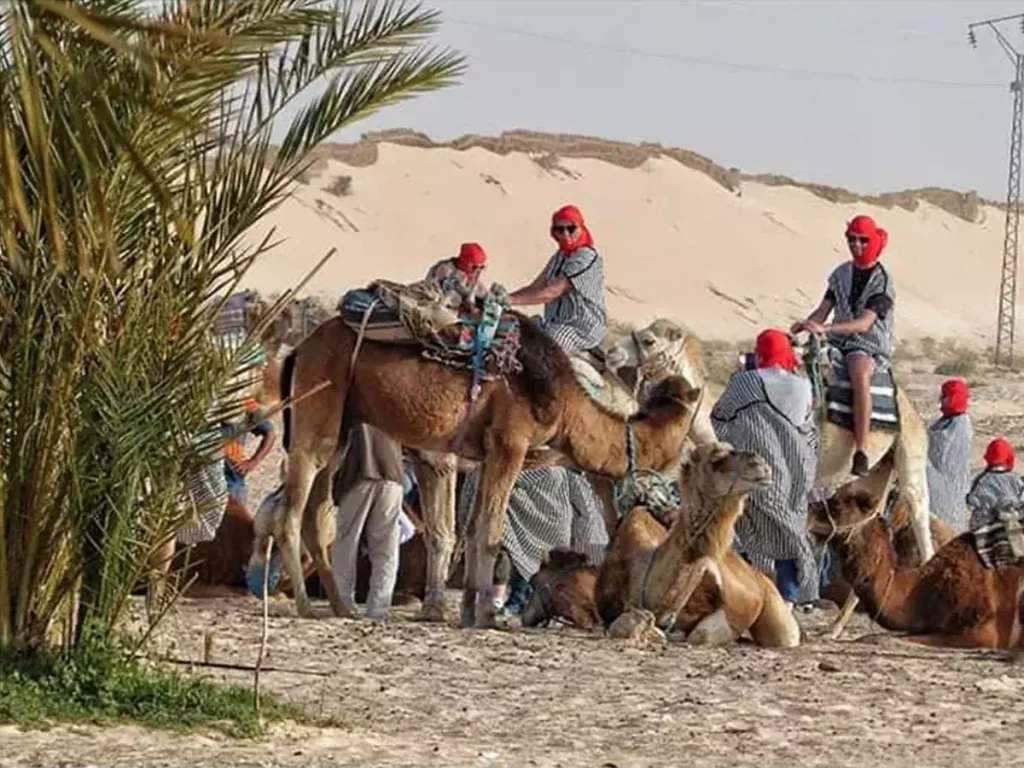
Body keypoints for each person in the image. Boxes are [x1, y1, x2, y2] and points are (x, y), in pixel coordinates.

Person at [710, 329, 821, 608]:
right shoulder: (804, 385)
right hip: (797, 466)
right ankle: (792, 595)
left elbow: (719, 417)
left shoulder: (745, 382)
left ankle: (745, 587)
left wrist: (745, 433)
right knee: (789, 527)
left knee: (749, 525)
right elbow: (809, 429)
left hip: (756, 467)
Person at [792, 214, 894, 477]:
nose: (856, 245)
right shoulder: (840, 274)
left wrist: (825, 328)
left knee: (858, 371)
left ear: (873, 240)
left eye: (862, 240)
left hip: (866, 343)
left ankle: (861, 448)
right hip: (836, 339)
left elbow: (864, 324)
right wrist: (804, 326)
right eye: (851, 239)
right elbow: (823, 309)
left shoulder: (882, 282)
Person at [508, 204, 607, 355]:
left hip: (579, 329)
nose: (565, 234)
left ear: (581, 228)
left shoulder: (585, 257)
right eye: (560, 229)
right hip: (555, 323)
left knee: (544, 348)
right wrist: (503, 298)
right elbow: (536, 287)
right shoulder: (559, 256)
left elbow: (553, 291)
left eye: (571, 228)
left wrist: (510, 300)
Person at [331, 422, 405, 619]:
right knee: (385, 548)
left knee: (346, 543)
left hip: (359, 473)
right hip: (392, 475)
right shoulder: (389, 409)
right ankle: (379, 608)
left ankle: (343, 602)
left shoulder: (355, 403)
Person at [926, 379, 973, 531]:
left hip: (949, 485)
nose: (942, 400)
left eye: (945, 397)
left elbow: (940, 451)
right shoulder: (943, 422)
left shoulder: (961, 423)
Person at [221, 397, 276, 509]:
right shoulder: (202, 400)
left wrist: (253, 461)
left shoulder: (245, 402)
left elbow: (270, 433)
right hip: (202, 479)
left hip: (232, 478)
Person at [966, 437, 1024, 531]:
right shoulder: (1016, 479)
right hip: (1011, 528)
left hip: (984, 530)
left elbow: (971, 502)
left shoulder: (981, 479)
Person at [425, 241, 489, 310]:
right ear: (466, 263)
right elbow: (449, 294)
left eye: (482, 267)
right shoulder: (445, 270)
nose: (478, 271)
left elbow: (480, 291)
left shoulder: (471, 274)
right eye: (475, 267)